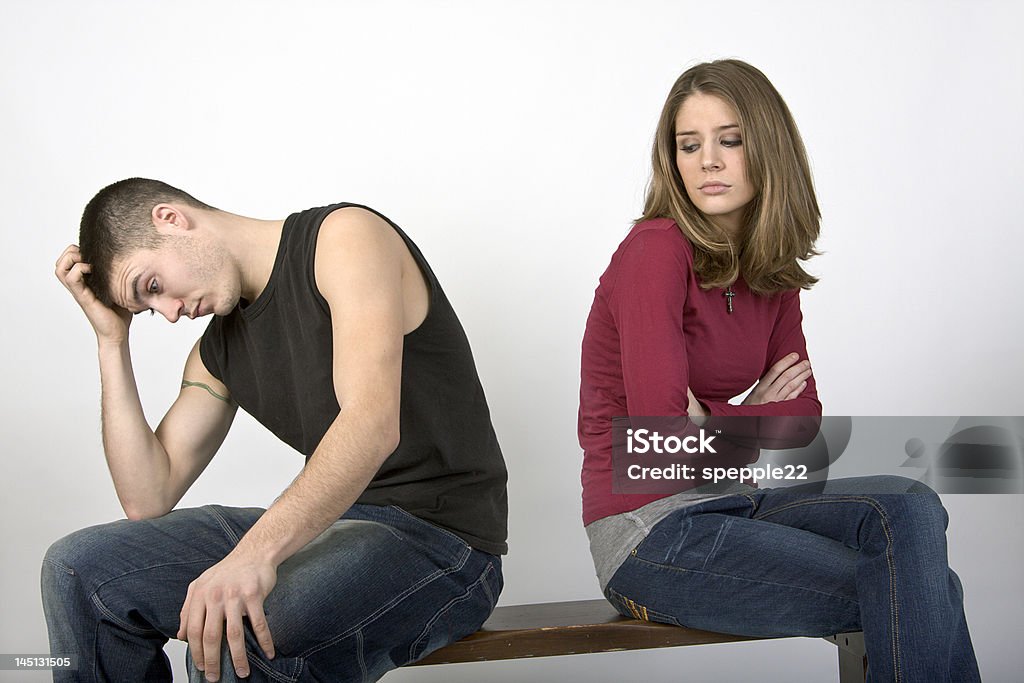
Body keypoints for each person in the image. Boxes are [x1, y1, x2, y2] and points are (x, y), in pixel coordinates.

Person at [577, 60, 980, 682]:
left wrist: (714, 418)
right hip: (651, 535)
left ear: (767, 149)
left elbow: (804, 428)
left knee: (911, 506)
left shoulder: (772, 271)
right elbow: (658, 442)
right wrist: (753, 419)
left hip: (738, 504)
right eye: (690, 145)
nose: (708, 160)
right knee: (923, 591)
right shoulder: (654, 251)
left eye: (730, 140)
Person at [46, 179, 508, 682]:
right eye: (147, 310)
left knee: (238, 629)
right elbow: (147, 495)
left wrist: (252, 557)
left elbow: (371, 426)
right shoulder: (215, 353)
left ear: (170, 218)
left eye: (152, 287)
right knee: (79, 569)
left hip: (441, 543)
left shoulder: (343, 239)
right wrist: (111, 339)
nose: (170, 312)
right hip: (332, 529)